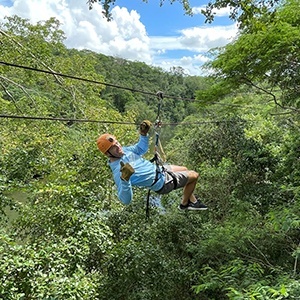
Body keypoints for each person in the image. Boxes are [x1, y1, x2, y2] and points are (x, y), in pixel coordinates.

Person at [96, 120, 207, 211]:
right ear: (107, 153)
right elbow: (125, 200)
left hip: (160, 170)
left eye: (117, 143)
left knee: (184, 169)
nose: (119, 147)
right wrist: (125, 180)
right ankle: (184, 204)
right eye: (114, 147)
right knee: (194, 175)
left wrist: (143, 135)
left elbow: (140, 149)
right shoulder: (118, 171)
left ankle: (191, 200)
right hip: (162, 182)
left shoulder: (125, 151)